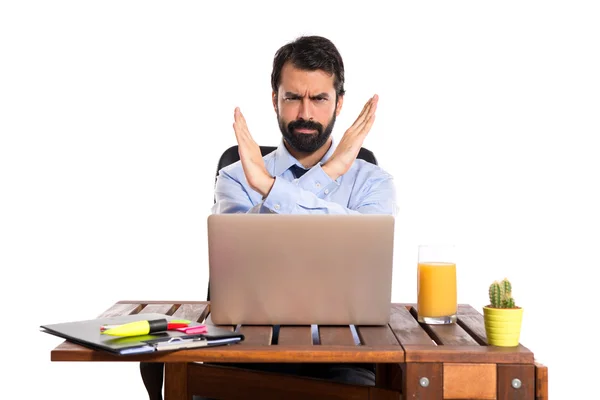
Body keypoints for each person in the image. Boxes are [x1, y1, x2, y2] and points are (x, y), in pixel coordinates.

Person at [140, 35, 397, 400]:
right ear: (275, 99)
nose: (305, 113)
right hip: (244, 352)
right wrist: (330, 172)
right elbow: (239, 263)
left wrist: (269, 188)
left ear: (339, 103)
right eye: (293, 97)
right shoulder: (235, 175)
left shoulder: (373, 182)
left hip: (344, 358)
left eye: (319, 98)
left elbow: (366, 260)